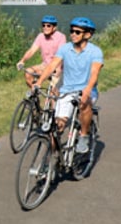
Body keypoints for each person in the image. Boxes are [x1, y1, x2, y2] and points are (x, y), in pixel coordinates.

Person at [32, 17, 103, 154]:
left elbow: (94, 73)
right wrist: (39, 82)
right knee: (57, 126)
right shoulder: (65, 49)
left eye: (77, 32)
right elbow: (52, 65)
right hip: (67, 90)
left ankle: (83, 136)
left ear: (87, 35)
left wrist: (87, 90)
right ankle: (50, 160)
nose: (73, 34)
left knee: (85, 103)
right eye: (71, 31)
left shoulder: (95, 52)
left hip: (87, 90)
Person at [16, 15, 66, 90]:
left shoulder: (61, 37)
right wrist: (22, 60)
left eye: (48, 25)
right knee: (28, 72)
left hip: (58, 67)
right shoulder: (40, 36)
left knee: (52, 93)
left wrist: (58, 69)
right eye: (43, 25)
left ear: (54, 27)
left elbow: (61, 55)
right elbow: (32, 50)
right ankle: (35, 94)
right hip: (45, 65)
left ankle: (52, 99)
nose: (45, 27)